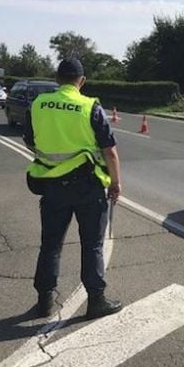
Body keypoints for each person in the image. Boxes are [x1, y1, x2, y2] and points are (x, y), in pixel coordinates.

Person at [24, 58, 123, 320]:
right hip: (88, 187)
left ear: (57, 79)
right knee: (92, 245)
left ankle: (44, 302)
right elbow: (110, 152)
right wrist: (115, 183)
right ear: (82, 81)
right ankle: (97, 301)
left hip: (52, 186)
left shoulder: (38, 104)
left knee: (51, 245)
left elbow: (30, 140)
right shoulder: (90, 106)